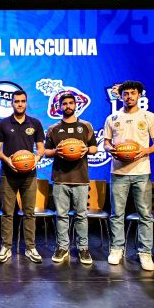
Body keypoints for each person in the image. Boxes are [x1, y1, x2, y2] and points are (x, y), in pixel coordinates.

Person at [103, 80, 154, 271]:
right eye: (125, 94)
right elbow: (106, 143)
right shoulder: (112, 118)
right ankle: (116, 249)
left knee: (145, 214)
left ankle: (145, 252)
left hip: (141, 171)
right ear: (120, 96)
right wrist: (111, 149)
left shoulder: (149, 116)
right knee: (116, 214)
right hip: (118, 171)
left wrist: (146, 151)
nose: (129, 97)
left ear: (139, 95)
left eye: (133, 93)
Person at [44, 93, 98, 265]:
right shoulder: (53, 129)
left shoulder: (86, 126)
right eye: (64, 104)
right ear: (60, 107)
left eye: (70, 103)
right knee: (61, 215)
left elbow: (95, 148)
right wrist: (57, 151)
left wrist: (86, 149)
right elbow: (46, 152)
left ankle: (83, 248)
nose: (68, 106)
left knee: (81, 215)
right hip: (60, 178)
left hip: (80, 178)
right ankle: (63, 247)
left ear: (75, 105)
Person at [0, 90, 45, 263]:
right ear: (12, 103)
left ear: (26, 102)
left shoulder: (35, 123)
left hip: (29, 175)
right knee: (7, 213)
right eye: (17, 101)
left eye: (23, 101)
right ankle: (6, 247)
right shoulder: (3, 124)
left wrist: (36, 158)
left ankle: (30, 248)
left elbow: (41, 148)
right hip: (8, 174)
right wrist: (7, 160)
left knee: (29, 213)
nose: (20, 104)